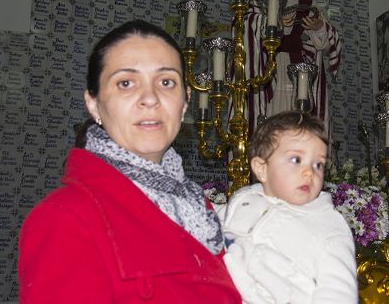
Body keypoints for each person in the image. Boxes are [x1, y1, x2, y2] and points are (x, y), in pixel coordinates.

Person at [18, 20, 242, 303]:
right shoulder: (65, 218)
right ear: (94, 103)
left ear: (185, 101)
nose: (150, 98)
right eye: (126, 83)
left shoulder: (200, 209)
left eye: (166, 82)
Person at [216, 111, 358, 304]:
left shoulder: (328, 226)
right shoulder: (244, 201)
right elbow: (210, 217)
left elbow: (339, 291)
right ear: (262, 169)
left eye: (319, 164)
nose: (309, 172)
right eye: (296, 160)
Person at [244, 0, 341, 134]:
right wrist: (273, 22)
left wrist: (318, 27)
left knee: (297, 117)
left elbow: (323, 40)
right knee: (271, 115)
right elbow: (245, 23)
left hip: (298, 66)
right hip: (268, 63)